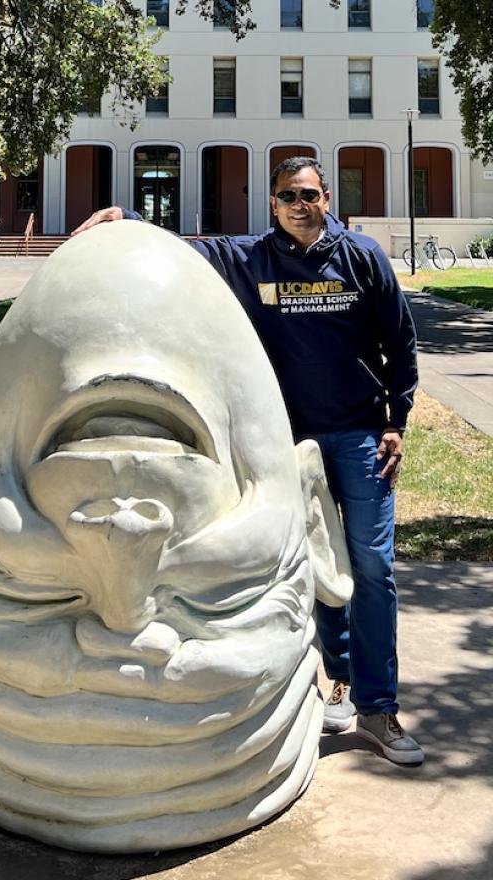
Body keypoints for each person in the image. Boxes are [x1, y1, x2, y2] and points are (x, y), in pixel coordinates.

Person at [73, 156, 424, 766]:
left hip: (361, 434)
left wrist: (397, 419)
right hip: (292, 443)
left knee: (372, 567)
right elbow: (189, 251)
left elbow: (401, 338)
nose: (298, 203)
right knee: (317, 563)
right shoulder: (252, 258)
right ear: (272, 202)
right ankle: (337, 682)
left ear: (326, 196)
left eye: (308, 193)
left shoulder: (361, 256)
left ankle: (379, 707)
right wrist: (127, 219)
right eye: (286, 194)